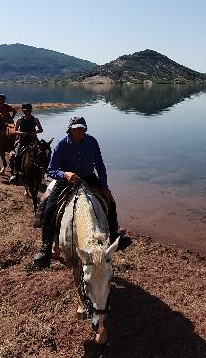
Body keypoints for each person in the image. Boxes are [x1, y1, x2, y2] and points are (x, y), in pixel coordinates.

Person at [32, 116, 131, 268]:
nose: (80, 131)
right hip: (67, 180)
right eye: (77, 129)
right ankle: (45, 247)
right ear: (70, 129)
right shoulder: (61, 144)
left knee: (110, 201)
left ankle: (114, 233)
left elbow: (100, 165)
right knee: (50, 206)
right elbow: (51, 169)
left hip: (88, 177)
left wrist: (104, 186)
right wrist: (64, 174)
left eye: (82, 129)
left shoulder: (92, 142)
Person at [8, 103, 44, 184]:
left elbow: (41, 129)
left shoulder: (35, 119)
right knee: (17, 156)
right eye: (25, 110)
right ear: (23, 111)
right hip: (23, 140)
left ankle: (42, 172)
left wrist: (35, 132)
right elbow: (14, 131)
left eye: (28, 110)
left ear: (31, 110)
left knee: (43, 153)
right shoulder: (19, 120)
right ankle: (16, 174)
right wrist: (21, 133)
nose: (27, 112)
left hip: (33, 140)